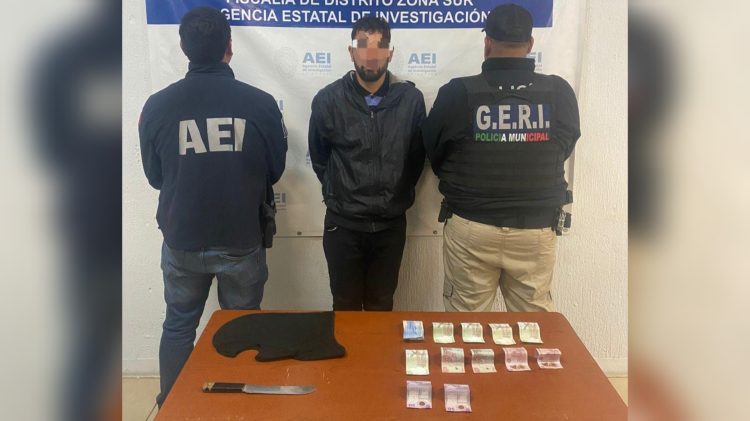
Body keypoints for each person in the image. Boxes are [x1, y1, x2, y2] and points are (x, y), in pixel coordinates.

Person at [138, 7, 287, 406]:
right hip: (241, 239)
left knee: (178, 326)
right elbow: (275, 170)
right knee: (240, 326)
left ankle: (172, 407)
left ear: (183, 46)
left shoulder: (157, 106)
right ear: (229, 46)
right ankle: (236, 408)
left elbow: (155, 176)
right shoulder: (260, 104)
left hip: (182, 239)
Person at [422, 4, 581, 312]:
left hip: (472, 226)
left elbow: (434, 150)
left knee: (467, 325)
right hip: (535, 228)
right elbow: (564, 146)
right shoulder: (558, 91)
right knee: (533, 326)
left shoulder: (458, 92)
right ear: (530, 44)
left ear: (487, 43)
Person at [308, 17, 426, 311]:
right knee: (345, 305)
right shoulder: (328, 99)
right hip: (343, 225)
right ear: (351, 52)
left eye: (379, 46)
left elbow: (415, 159)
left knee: (381, 304)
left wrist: (394, 193)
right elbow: (320, 158)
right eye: (363, 45)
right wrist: (342, 190)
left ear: (390, 53)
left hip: (390, 225)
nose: (371, 55)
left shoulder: (410, 99)